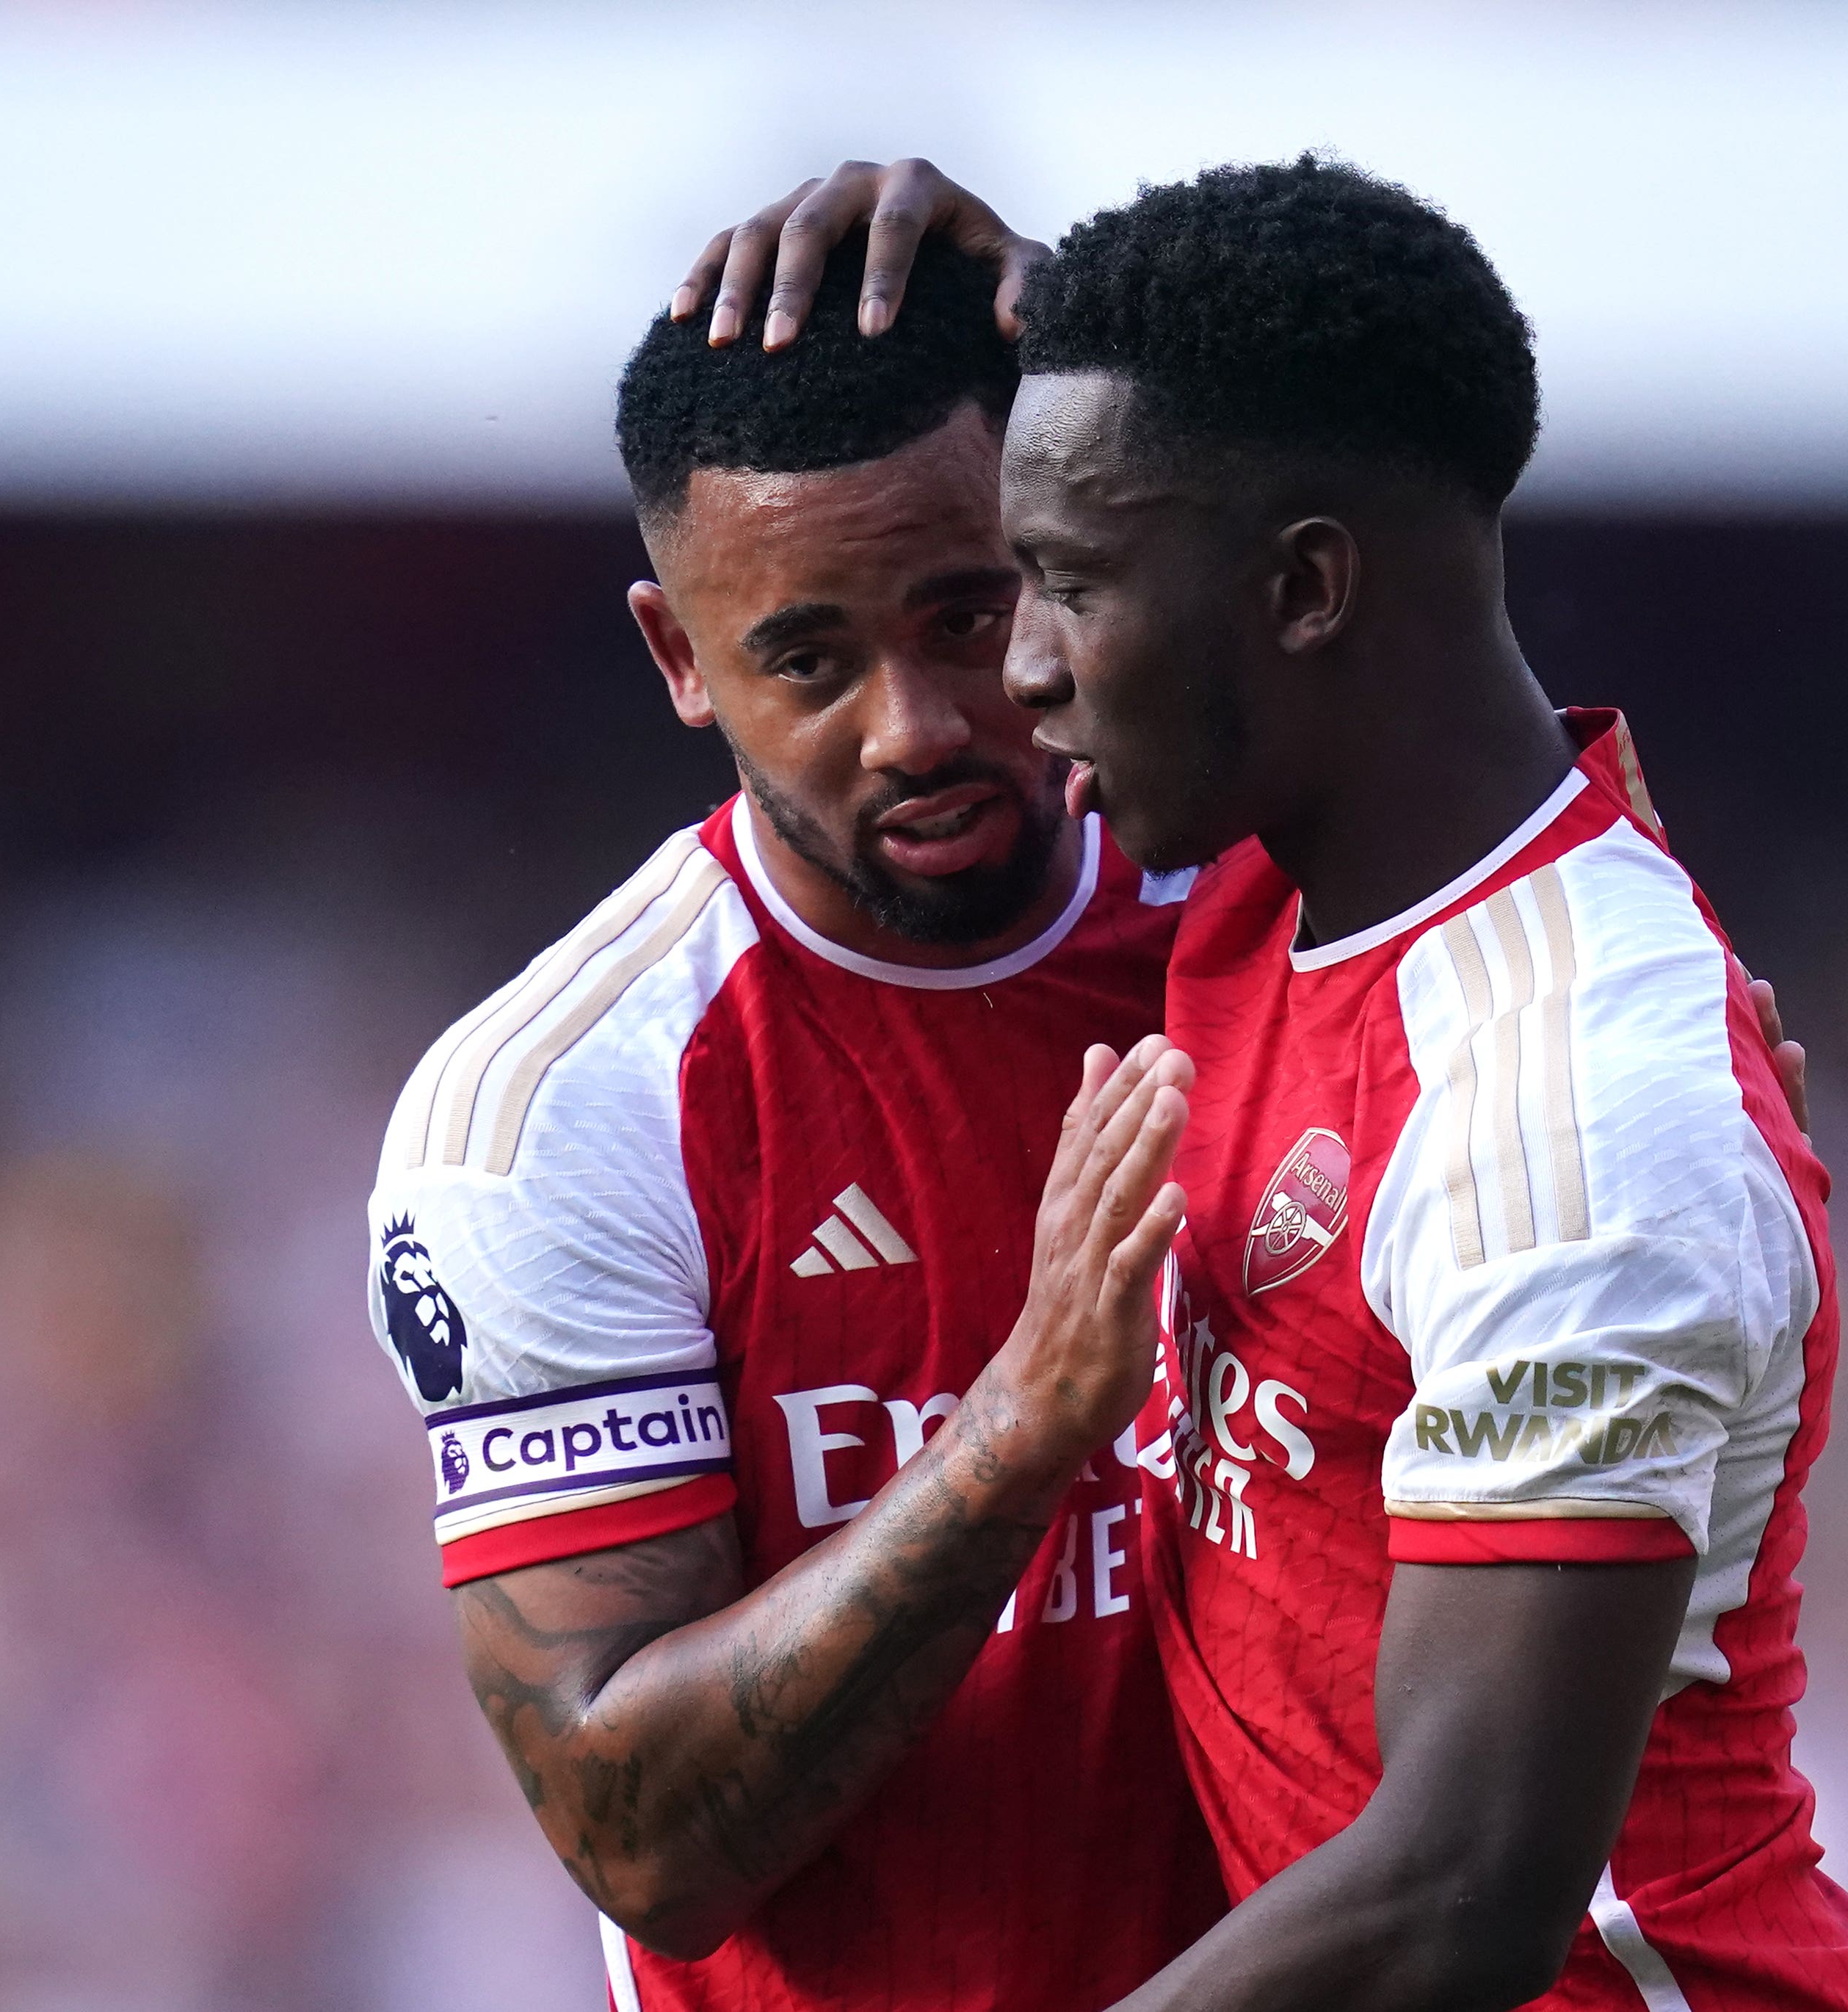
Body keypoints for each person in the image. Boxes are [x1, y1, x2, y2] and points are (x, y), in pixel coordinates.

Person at [692, 159, 1848, 2010]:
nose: (1023, 675)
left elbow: (1464, 1880)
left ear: (1308, 589)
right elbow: (1259, 456)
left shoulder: (1560, 1100)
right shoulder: (1279, 884)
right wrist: (1036, 306)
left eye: (1068, 587)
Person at [365, 234, 1224, 2012]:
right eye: (808, 660)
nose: (913, 727)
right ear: (679, 656)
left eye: (968, 618)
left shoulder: (1271, 910)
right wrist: (1028, 1423)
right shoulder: (559, 1108)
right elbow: (647, 1842)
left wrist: (1080, 308)